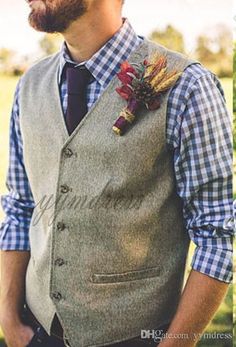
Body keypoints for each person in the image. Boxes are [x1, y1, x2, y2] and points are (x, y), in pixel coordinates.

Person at [0, 1, 233, 347]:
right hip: (37, 333)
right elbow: (20, 208)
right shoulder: (29, 85)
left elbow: (217, 234)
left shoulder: (188, 88)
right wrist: (10, 321)